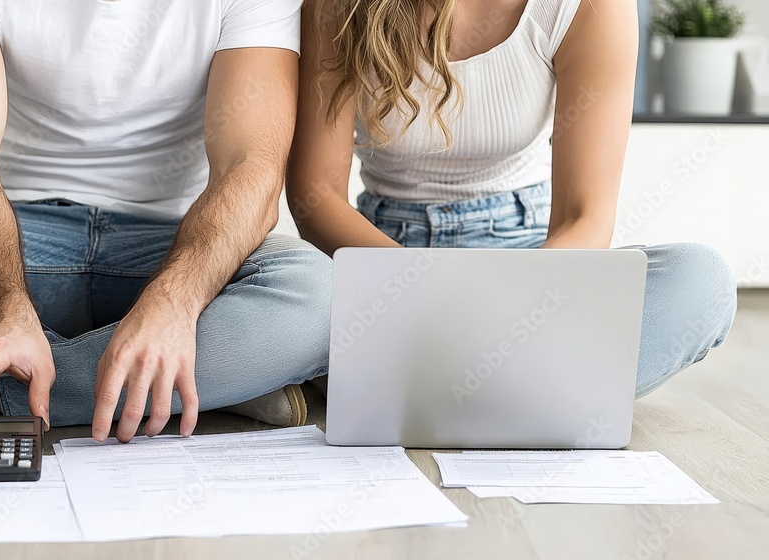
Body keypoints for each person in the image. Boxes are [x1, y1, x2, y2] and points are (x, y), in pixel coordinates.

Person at [0, 0, 331, 442]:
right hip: (11, 239)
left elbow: (251, 168)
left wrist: (175, 303)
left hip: (175, 245)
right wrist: (5, 306)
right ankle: (205, 386)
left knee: (325, 297)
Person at [287, 0, 736, 396]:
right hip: (384, 258)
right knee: (295, 307)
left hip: (533, 258)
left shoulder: (589, 5)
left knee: (702, 280)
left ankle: (417, 386)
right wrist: (423, 294)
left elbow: (584, 217)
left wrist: (513, 310)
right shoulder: (341, 6)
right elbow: (317, 195)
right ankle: (523, 392)